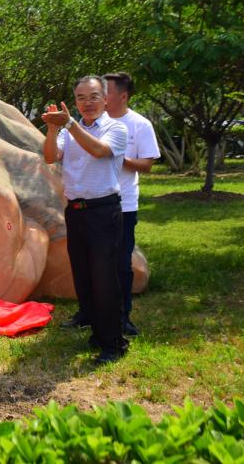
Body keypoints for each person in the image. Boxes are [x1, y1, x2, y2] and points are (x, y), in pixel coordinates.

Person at [42, 76, 129, 365]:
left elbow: (99, 150)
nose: (87, 103)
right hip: (76, 211)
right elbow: (50, 156)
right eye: (81, 98)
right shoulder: (69, 131)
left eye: (93, 96)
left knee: (105, 278)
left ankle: (114, 343)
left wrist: (68, 124)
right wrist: (52, 129)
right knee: (83, 275)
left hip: (103, 211)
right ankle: (96, 330)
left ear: (105, 99)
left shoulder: (115, 128)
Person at [104, 72, 160, 337]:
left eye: (106, 92)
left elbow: (147, 165)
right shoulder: (91, 123)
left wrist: (120, 158)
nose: (100, 97)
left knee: (120, 262)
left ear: (123, 96)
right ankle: (88, 312)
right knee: (92, 261)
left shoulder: (139, 125)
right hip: (92, 203)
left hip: (123, 205)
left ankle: (122, 315)